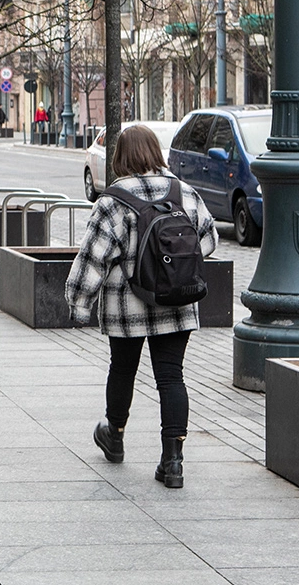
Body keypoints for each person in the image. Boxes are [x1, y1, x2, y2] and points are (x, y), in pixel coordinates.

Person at [64, 124, 217, 489]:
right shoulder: (184, 192)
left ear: (120, 158)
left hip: (126, 306)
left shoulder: (113, 200)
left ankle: (114, 436)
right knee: (171, 376)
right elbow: (208, 241)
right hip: (177, 303)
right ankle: (173, 461)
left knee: (123, 369)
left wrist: (78, 303)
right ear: (156, 152)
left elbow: (93, 258)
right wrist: (170, 269)